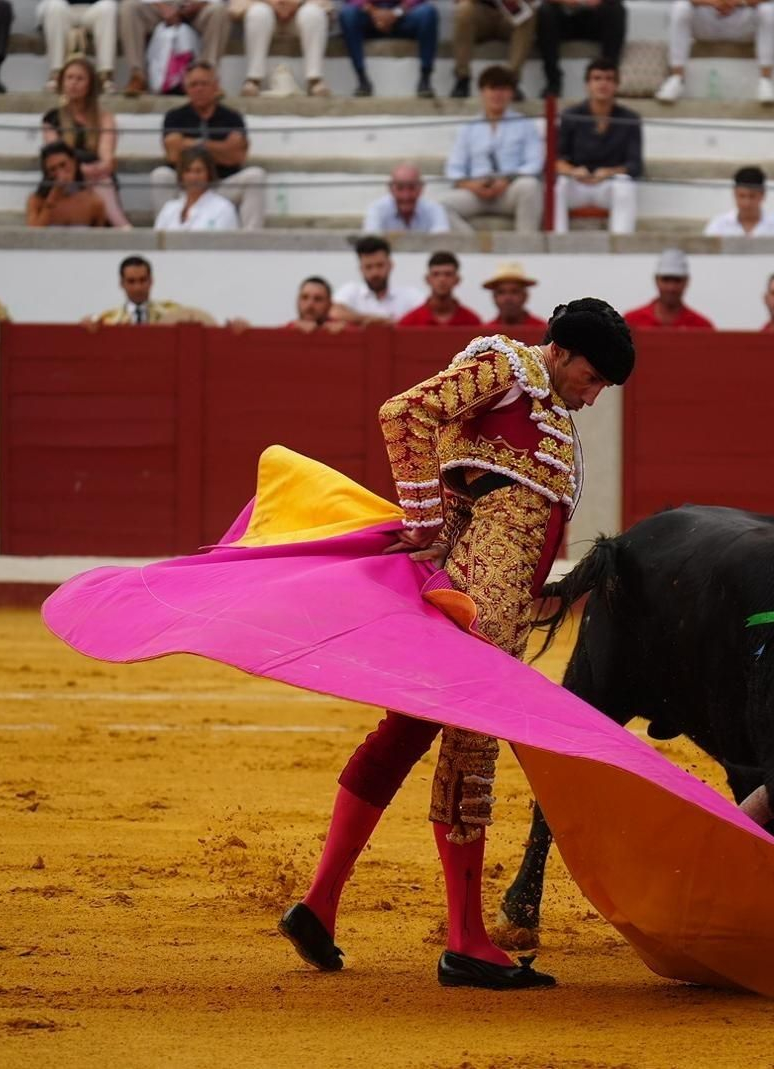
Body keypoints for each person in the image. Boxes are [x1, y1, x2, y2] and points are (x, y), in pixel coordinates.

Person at [278, 298, 636, 991]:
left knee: (405, 731)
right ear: (559, 350)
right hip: (478, 611)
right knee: (470, 752)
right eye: (591, 379)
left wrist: (539, 593)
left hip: (479, 597)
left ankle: (319, 905)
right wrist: (419, 521)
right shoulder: (505, 366)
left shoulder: (543, 408)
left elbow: (484, 505)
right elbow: (403, 413)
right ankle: (467, 939)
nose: (592, 398)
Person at [151, 63, 267, 229]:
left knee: (256, 176)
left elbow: (236, 156)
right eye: (193, 85)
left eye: (204, 84)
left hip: (222, 184)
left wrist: (192, 143)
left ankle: (251, 239)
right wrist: (221, 148)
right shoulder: (174, 117)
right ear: (186, 88)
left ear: (215, 86)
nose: (199, 89)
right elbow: (173, 153)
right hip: (186, 186)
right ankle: (165, 232)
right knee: (160, 175)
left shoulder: (232, 117)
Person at [442, 65, 544, 234]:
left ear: (511, 93)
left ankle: (526, 247)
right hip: (476, 191)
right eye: (492, 89)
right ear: (482, 92)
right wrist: (472, 185)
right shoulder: (469, 128)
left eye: (503, 89)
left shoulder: (525, 124)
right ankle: (476, 248)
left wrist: (507, 180)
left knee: (530, 186)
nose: (497, 95)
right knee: (439, 207)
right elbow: (454, 168)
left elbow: (534, 163)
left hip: (509, 190)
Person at [553, 56, 641, 235]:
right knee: (558, 185)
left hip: (607, 186)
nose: (603, 84)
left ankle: (621, 244)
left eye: (609, 79)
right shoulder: (571, 115)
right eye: (597, 78)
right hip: (577, 183)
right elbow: (556, 158)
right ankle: (558, 240)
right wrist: (572, 171)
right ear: (587, 84)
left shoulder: (630, 119)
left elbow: (635, 165)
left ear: (616, 85)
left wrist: (609, 172)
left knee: (625, 184)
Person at [43, 57, 131, 229]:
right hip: (65, 177)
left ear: (90, 85)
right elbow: (55, 156)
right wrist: (81, 171)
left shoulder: (104, 118)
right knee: (87, 180)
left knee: (102, 181)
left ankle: (122, 227)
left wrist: (92, 170)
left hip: (97, 175)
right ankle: (123, 227)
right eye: (69, 78)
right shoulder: (51, 118)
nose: (73, 83)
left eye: (79, 79)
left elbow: (106, 159)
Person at [657, 0, 774, 105]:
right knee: (680, 8)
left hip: (741, 23)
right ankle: (677, 78)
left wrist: (737, 2)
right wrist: (713, 1)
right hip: (707, 22)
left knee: (768, 11)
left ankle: (765, 81)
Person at [119, 0, 230, 96]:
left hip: (197, 7)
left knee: (218, 10)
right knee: (130, 7)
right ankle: (138, 76)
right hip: (158, 7)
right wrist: (161, 6)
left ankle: (208, 77)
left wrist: (201, 3)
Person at [340, 0, 437, 98]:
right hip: (369, 17)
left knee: (427, 12)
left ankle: (425, 79)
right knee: (348, 13)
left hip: (403, 16)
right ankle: (362, 79)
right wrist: (374, 12)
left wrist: (395, 13)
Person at [82, 255, 216, 325]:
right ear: (121, 284)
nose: (138, 287)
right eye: (131, 281)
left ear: (151, 281)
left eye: (142, 280)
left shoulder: (173, 312)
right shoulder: (108, 320)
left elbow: (202, 324)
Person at [235, 0, 330, 98]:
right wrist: (272, 3)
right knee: (258, 12)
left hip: (299, 14)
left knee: (313, 13)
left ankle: (315, 80)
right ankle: (253, 80)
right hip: (264, 13)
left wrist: (296, 3)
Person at [536, 0, 625, 99]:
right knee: (545, 11)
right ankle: (553, 83)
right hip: (564, 20)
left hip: (595, 19)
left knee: (616, 9)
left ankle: (609, 77)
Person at [452, 0, 535, 100]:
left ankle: (511, 80)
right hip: (480, 15)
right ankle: (462, 78)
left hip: (509, 15)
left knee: (528, 13)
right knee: (464, 9)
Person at [332, 236, 424, 325]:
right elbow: (334, 312)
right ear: (361, 269)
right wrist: (378, 320)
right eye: (368, 267)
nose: (375, 273)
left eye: (380, 265)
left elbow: (428, 314)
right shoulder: (351, 291)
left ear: (390, 265)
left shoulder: (410, 295)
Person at [37, 0, 118, 93]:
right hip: (63, 9)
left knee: (108, 6)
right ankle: (57, 73)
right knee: (54, 5)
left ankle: (105, 75)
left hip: (94, 8)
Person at [623, 248, 715, 329]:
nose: (671, 288)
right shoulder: (631, 321)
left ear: (687, 282)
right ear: (656, 280)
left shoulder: (702, 326)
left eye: (677, 280)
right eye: (666, 280)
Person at [361, 163, 464, 234]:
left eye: (411, 187)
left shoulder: (435, 209)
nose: (406, 196)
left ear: (421, 188)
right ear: (390, 189)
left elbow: (440, 243)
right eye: (400, 188)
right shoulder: (376, 210)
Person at [154, 147, 240, 230]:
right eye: (188, 171)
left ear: (208, 174)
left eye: (198, 171)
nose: (193, 177)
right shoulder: (169, 208)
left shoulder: (223, 209)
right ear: (181, 174)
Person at [27, 143, 111, 227]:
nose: (60, 172)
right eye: (52, 169)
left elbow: (98, 237)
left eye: (63, 165)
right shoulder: (36, 201)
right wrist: (52, 198)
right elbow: (33, 235)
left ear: (74, 162)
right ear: (47, 174)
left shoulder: (93, 201)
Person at [398, 252, 485, 328]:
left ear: (457, 279)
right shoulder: (409, 322)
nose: (442, 279)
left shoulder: (472, 321)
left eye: (448, 274)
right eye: (436, 274)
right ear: (427, 279)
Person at [704, 165, 774, 237]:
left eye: (752, 196)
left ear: (763, 195)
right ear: (734, 194)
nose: (747, 203)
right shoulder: (718, 226)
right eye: (742, 196)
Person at [481, 261, 546, 330]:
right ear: (494, 297)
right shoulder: (485, 333)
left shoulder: (543, 330)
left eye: (514, 291)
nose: (508, 298)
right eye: (501, 292)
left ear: (525, 296)